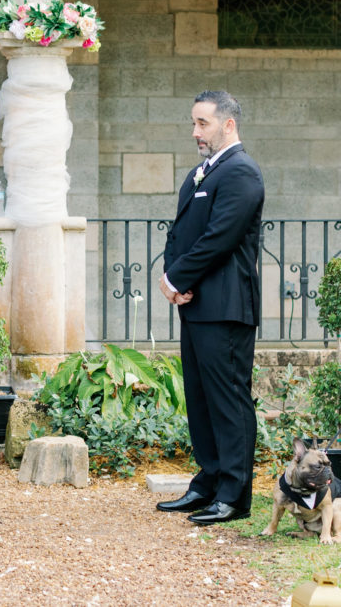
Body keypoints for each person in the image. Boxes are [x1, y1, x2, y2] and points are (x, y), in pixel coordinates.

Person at [155, 90, 264, 526]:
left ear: (228, 125)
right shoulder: (202, 172)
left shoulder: (242, 173)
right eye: (194, 123)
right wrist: (171, 276)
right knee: (199, 399)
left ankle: (234, 495)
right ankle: (209, 482)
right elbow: (181, 232)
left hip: (226, 307)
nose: (195, 132)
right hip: (196, 305)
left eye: (203, 123)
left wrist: (176, 279)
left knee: (228, 400)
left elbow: (219, 238)